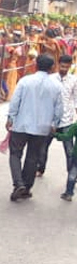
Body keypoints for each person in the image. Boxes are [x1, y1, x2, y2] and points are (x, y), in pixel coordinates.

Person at [6, 53, 63, 201]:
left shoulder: (25, 81)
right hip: (42, 127)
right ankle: (26, 186)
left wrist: (10, 117)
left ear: (36, 65)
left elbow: (15, 101)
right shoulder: (56, 85)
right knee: (33, 156)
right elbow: (59, 108)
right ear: (52, 68)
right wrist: (54, 124)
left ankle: (18, 183)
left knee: (15, 154)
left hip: (21, 124)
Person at [56, 55, 77, 200]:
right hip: (53, 120)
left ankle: (69, 190)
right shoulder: (51, 79)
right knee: (41, 149)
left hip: (66, 120)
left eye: (66, 67)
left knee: (71, 158)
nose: (63, 69)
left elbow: (75, 100)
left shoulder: (73, 80)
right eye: (62, 66)